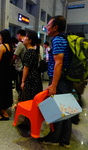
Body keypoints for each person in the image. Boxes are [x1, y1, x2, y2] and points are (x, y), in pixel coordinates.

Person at [38, 16, 73, 149]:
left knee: (57, 109)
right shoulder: (64, 39)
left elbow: (58, 63)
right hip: (65, 79)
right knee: (66, 109)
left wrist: (53, 85)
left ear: (55, 27)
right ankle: (65, 139)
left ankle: (54, 137)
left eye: (48, 25)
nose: (47, 27)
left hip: (59, 79)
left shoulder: (57, 40)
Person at [21, 32, 42, 101]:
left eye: (25, 37)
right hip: (35, 77)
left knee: (28, 98)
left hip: (30, 78)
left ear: (30, 40)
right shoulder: (34, 51)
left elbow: (26, 68)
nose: (23, 38)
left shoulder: (29, 52)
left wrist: (23, 81)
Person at [13, 29, 26, 101]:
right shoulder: (26, 43)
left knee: (18, 84)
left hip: (20, 67)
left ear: (19, 34)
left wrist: (11, 62)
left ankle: (20, 98)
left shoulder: (21, 43)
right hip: (25, 67)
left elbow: (15, 55)